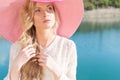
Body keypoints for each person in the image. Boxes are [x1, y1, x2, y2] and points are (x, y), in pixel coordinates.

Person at [3, 0, 84, 80]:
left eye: (49, 8)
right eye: (38, 10)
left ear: (55, 14)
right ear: (31, 17)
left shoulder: (67, 46)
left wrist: (55, 69)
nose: (45, 14)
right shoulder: (18, 47)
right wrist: (17, 65)